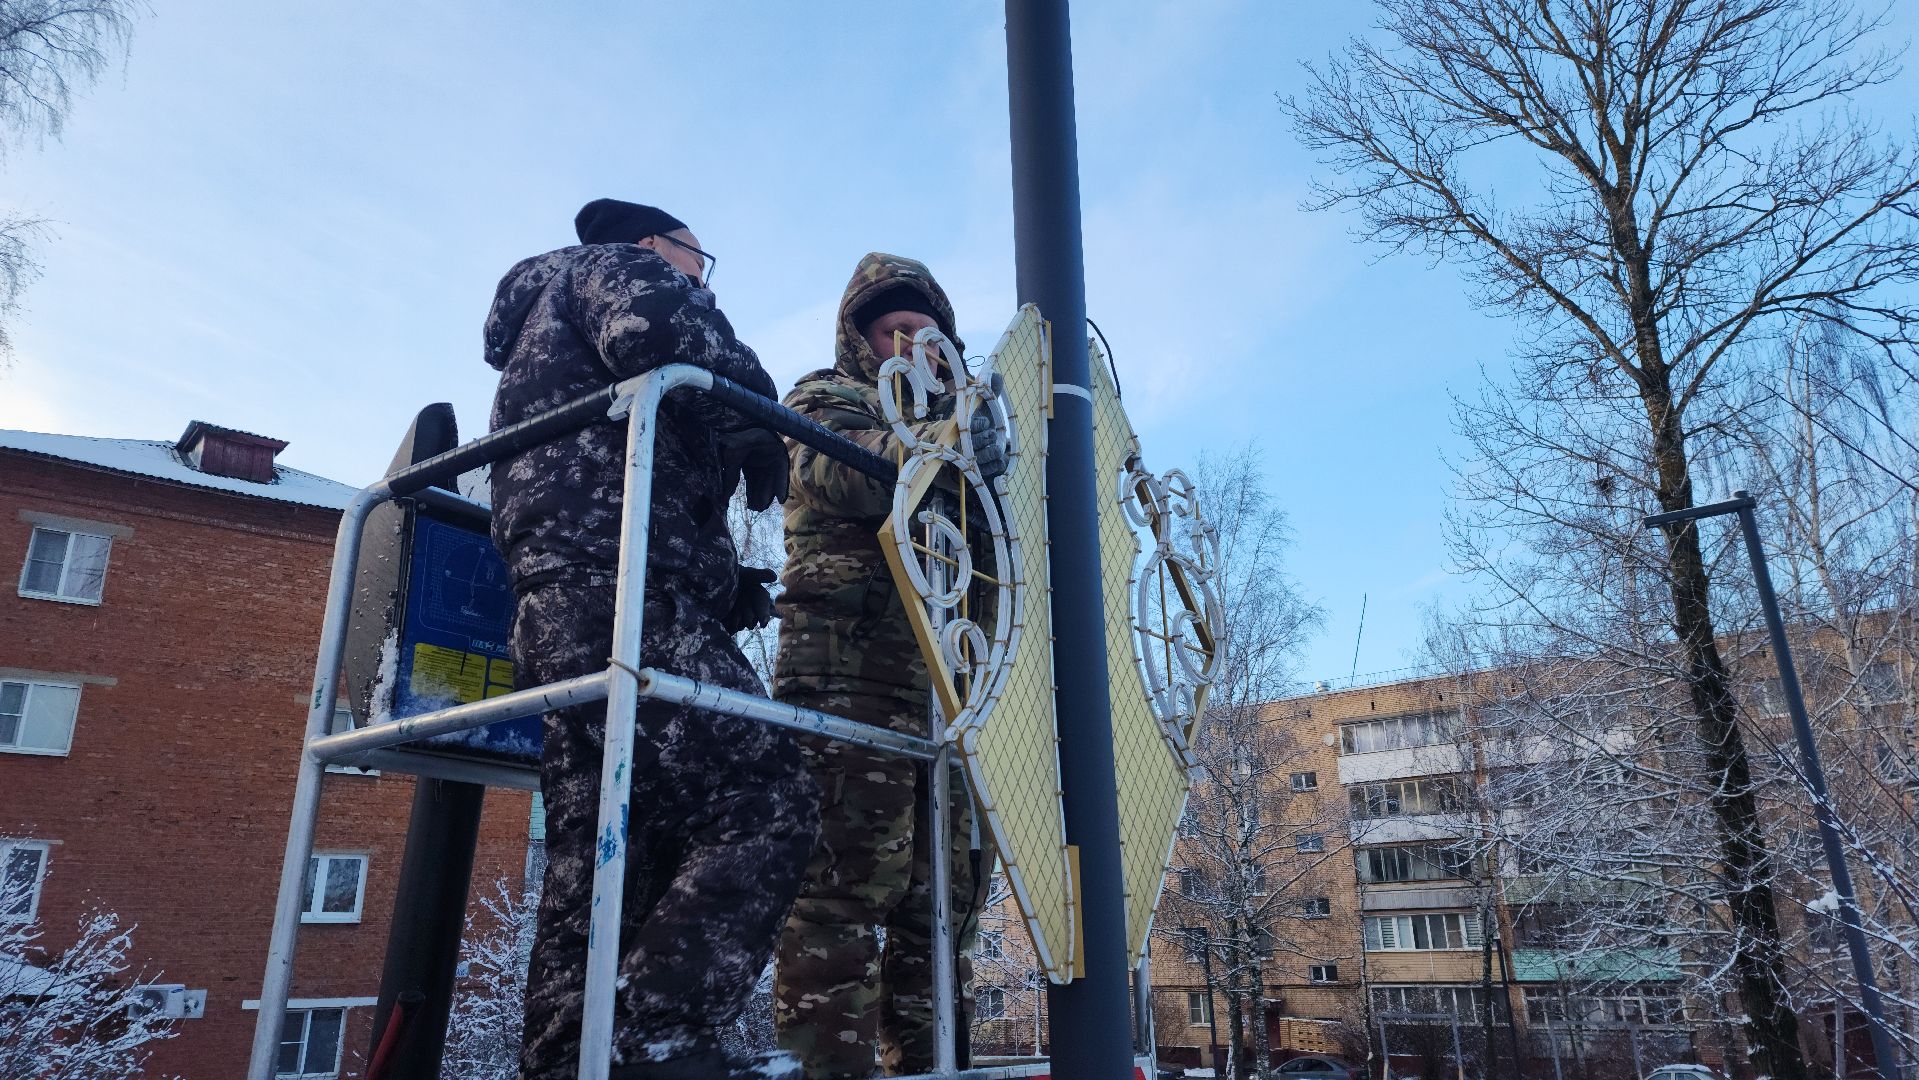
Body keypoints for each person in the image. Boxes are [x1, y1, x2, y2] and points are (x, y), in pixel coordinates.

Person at [486, 198, 817, 1080]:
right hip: (621, 591)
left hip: (566, 597)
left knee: (603, 847)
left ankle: (568, 1059)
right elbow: (661, 328)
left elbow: (611, 465)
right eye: (698, 259)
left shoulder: (544, 324)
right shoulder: (612, 268)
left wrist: (722, 583)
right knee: (768, 794)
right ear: (654, 245)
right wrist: (758, 411)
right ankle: (655, 1039)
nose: (702, 277)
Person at [771, 252, 1005, 1078]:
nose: (912, 344)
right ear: (863, 339)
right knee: (842, 892)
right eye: (894, 331)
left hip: (951, 694)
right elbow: (838, 467)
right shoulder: (825, 397)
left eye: (926, 332)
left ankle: (931, 1065)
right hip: (851, 677)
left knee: (943, 909)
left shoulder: (980, 431)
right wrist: (944, 439)